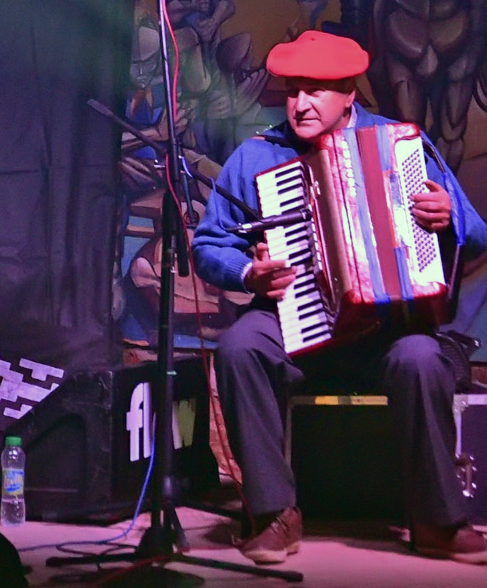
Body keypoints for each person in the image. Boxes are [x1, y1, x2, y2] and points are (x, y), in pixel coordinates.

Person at [192, 31, 487, 565]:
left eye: (316, 91)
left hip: (385, 332)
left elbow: (478, 233)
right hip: (292, 321)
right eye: (293, 91)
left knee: (423, 358)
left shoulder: (403, 146)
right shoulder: (257, 155)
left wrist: (450, 217)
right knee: (239, 347)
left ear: (349, 93)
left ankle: (437, 521)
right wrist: (248, 272)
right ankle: (275, 514)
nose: (300, 104)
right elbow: (209, 244)